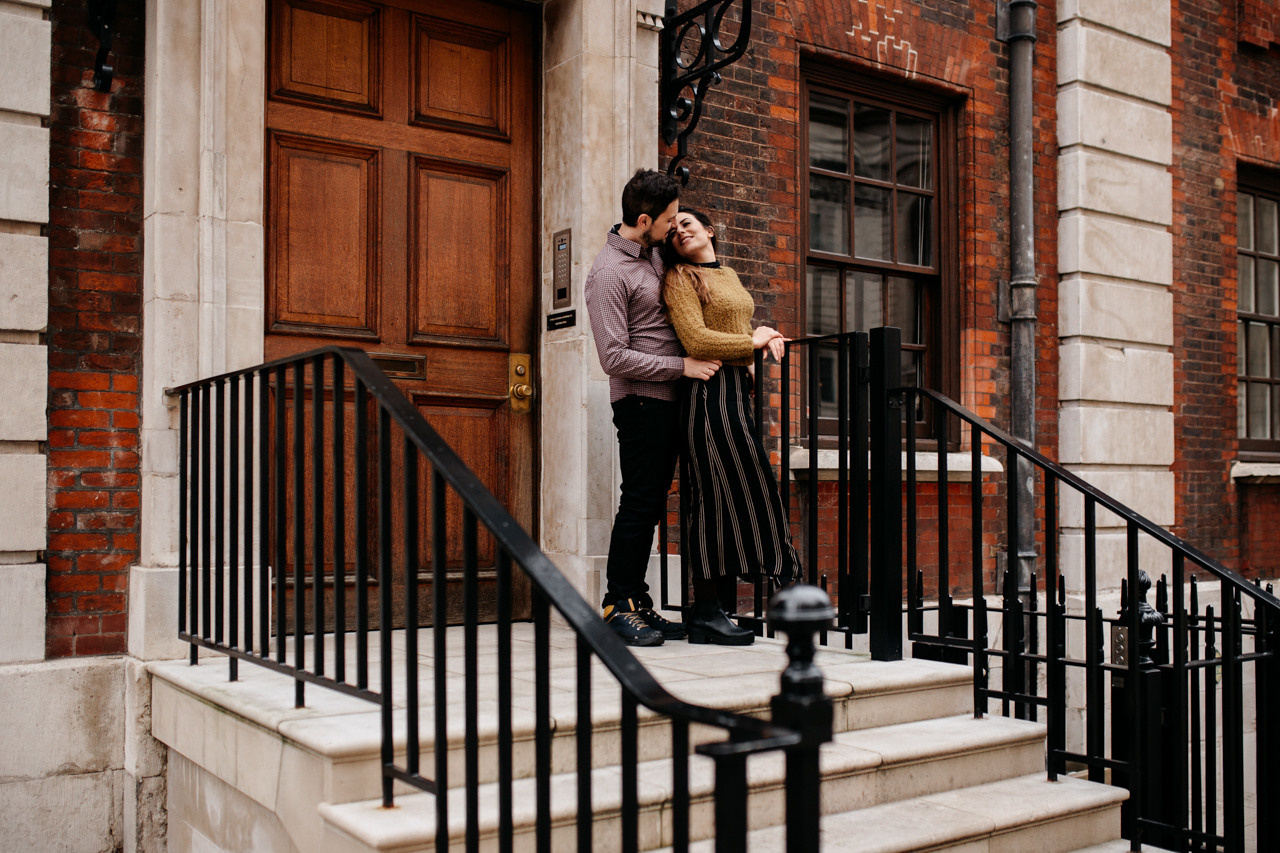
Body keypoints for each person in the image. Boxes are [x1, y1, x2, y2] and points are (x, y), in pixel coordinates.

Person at [585, 169, 725, 647]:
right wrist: (681, 366)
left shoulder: (655, 255)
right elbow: (613, 357)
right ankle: (617, 605)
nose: (674, 227)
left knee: (650, 505)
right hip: (641, 402)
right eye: (667, 219)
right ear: (643, 219)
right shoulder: (608, 273)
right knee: (640, 502)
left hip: (672, 401)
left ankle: (639, 602)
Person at [662, 207, 802, 645]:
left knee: (748, 488)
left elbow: (737, 327)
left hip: (736, 393)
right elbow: (696, 340)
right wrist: (753, 343)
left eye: (688, 224)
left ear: (709, 230)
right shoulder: (680, 279)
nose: (680, 231)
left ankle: (754, 597)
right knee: (714, 496)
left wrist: (758, 341)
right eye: (673, 230)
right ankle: (714, 609)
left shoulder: (730, 274)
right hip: (704, 394)